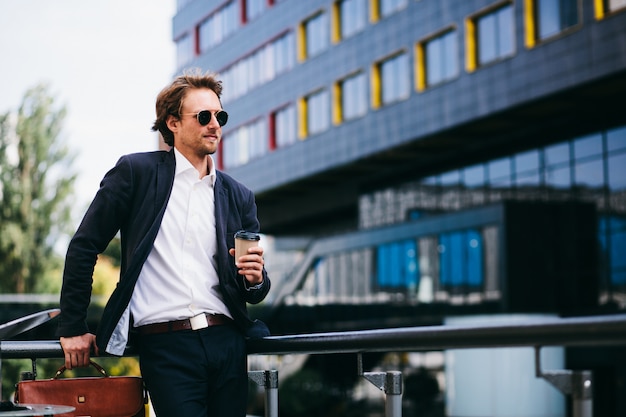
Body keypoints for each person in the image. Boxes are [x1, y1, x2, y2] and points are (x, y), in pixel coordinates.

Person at [55, 68, 271, 417]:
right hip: (166, 345)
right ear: (172, 123)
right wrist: (73, 327)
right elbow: (84, 246)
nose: (214, 124)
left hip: (227, 341)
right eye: (203, 116)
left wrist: (255, 278)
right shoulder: (135, 174)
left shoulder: (238, 196)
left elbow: (255, 291)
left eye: (220, 116)